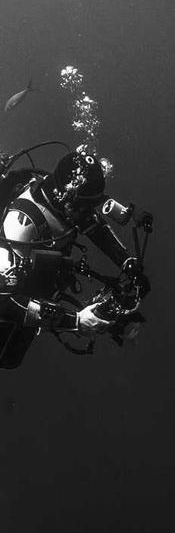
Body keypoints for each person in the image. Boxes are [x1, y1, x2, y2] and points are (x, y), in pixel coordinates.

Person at [0, 146, 151, 368]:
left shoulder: (67, 202)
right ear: (66, 198)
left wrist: (127, 263)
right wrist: (76, 322)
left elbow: (94, 227)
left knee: (12, 358)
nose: (89, 213)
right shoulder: (21, 224)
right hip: (11, 294)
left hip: (33, 285)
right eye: (85, 207)